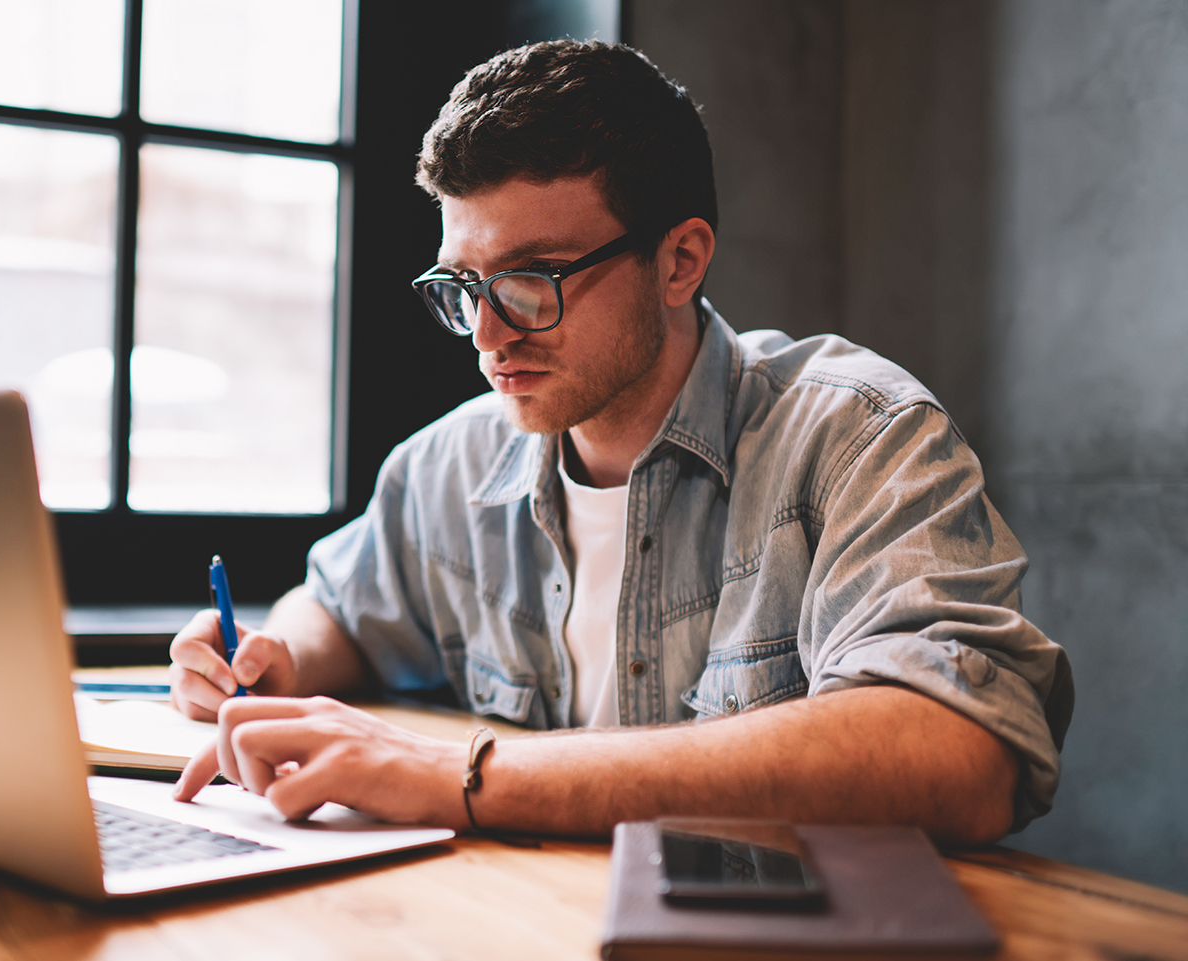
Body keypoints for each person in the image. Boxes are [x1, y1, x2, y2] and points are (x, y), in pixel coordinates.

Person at [168, 40, 1073, 844]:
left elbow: (963, 748)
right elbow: (340, 605)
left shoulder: (855, 435)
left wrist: (468, 775)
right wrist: (274, 657)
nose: (487, 335)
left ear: (679, 260)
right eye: (463, 286)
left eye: (529, 280)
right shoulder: (448, 464)